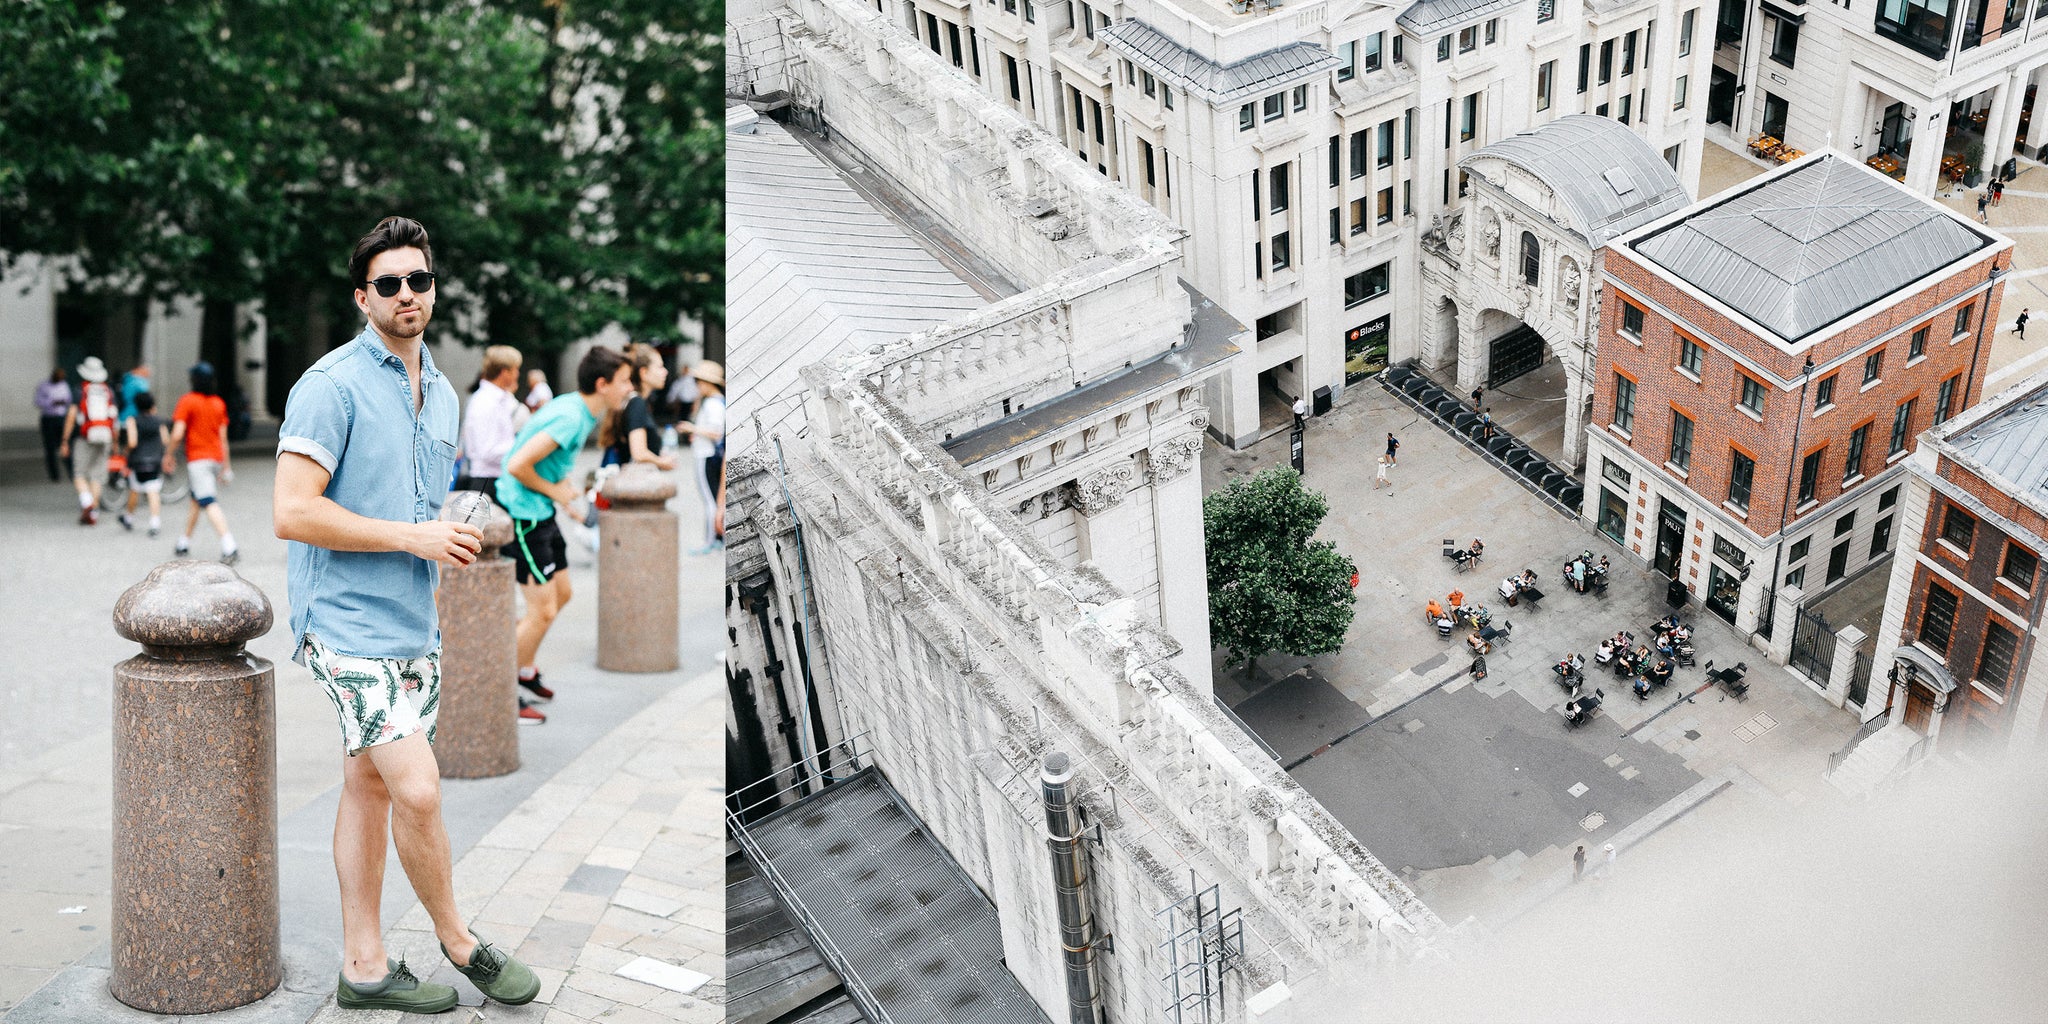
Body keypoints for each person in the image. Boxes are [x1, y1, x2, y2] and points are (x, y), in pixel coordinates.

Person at [274, 216, 540, 1013]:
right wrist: (410, 535)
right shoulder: (329, 385)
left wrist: (437, 534)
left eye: (417, 280)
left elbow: (416, 503)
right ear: (363, 298)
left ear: (433, 286)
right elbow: (291, 511)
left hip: (411, 623)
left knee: (370, 785)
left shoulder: (447, 393)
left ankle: (363, 970)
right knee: (419, 789)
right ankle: (460, 942)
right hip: (342, 624)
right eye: (387, 284)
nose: (405, 295)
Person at [497, 345, 638, 719]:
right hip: (523, 516)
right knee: (541, 611)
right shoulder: (572, 417)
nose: (630, 389)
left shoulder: (578, 409)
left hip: (540, 511)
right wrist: (557, 492)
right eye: (625, 382)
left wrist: (567, 499)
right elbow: (517, 464)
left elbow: (550, 463)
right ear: (602, 383)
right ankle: (499, 690)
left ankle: (523, 668)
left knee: (562, 594)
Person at [169, 361, 238, 564]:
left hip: (198, 459)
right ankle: (184, 542)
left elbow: (177, 433)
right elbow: (223, 438)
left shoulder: (187, 401)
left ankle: (229, 545)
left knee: (207, 501)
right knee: (196, 500)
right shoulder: (218, 403)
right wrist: (226, 466)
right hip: (215, 458)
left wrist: (168, 455)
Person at [456, 345, 527, 502]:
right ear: (504, 372)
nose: (518, 374)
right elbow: (487, 451)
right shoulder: (485, 402)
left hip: (493, 479)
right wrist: (522, 449)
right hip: (486, 482)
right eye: (516, 369)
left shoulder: (497, 399)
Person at [59, 356, 118, 524]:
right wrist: (114, 442)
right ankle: (94, 512)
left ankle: (87, 503)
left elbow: (71, 415)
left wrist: (65, 440)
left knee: (79, 473)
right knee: (97, 475)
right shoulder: (108, 391)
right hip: (105, 436)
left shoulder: (80, 390)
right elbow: (114, 418)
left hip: (84, 438)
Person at [600, 345, 677, 472]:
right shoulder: (637, 403)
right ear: (644, 372)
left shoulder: (631, 401)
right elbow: (639, 453)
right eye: (660, 367)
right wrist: (662, 462)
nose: (665, 371)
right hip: (633, 485)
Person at [677, 360, 725, 554]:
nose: (697, 385)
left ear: (707, 382)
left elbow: (716, 432)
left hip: (706, 456)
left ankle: (711, 539)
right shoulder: (716, 401)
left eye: (699, 381)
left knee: (710, 500)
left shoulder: (713, 403)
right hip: (709, 454)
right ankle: (716, 538)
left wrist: (692, 428)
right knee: (712, 498)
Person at [120, 392, 170, 536]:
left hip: (138, 461)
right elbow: (166, 440)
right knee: (153, 491)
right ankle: (155, 523)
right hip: (155, 460)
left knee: (135, 488)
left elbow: (132, 441)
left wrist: (126, 451)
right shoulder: (158, 420)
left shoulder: (133, 420)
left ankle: (128, 518)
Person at [35, 367, 72, 483]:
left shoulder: (64, 385)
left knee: (65, 444)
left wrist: (63, 402)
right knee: (50, 448)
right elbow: (37, 401)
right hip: (48, 418)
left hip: (61, 418)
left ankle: (71, 472)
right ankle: (54, 475)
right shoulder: (44, 386)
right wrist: (51, 402)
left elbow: (69, 400)